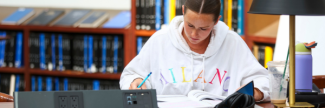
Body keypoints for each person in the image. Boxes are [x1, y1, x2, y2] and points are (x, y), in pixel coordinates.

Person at [120, 0, 270, 101]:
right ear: (183, 11)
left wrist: (256, 91)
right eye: (190, 25)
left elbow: (264, 81)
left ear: (217, 21)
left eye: (204, 28)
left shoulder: (232, 42)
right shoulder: (160, 40)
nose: (194, 35)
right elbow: (130, 75)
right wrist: (136, 81)